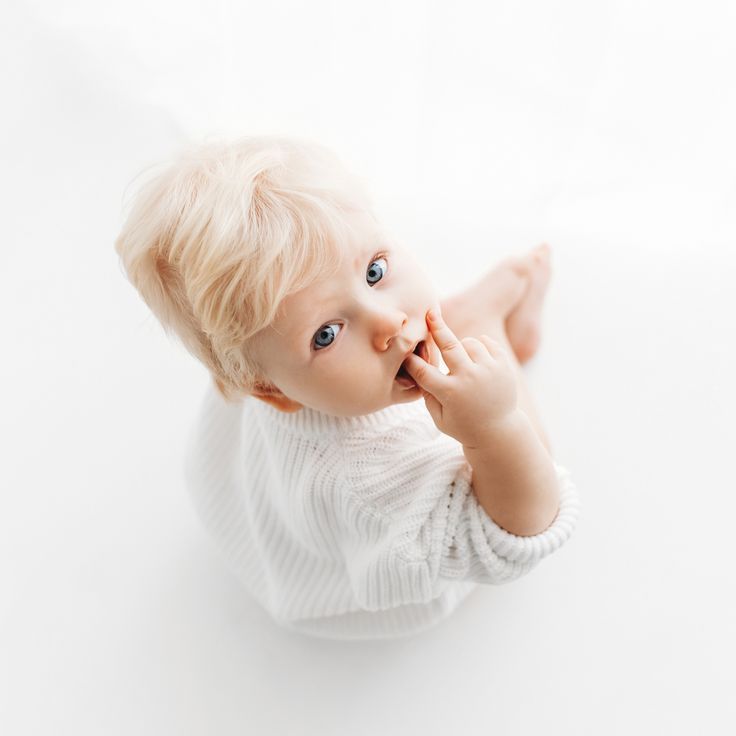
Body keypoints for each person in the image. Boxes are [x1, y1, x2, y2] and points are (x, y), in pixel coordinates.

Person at [115, 136, 579, 640]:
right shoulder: (372, 482)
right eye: (326, 334)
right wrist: (492, 428)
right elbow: (524, 529)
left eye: (375, 271)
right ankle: (480, 322)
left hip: (247, 514)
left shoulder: (273, 358)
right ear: (271, 391)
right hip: (341, 582)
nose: (389, 324)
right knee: (533, 453)